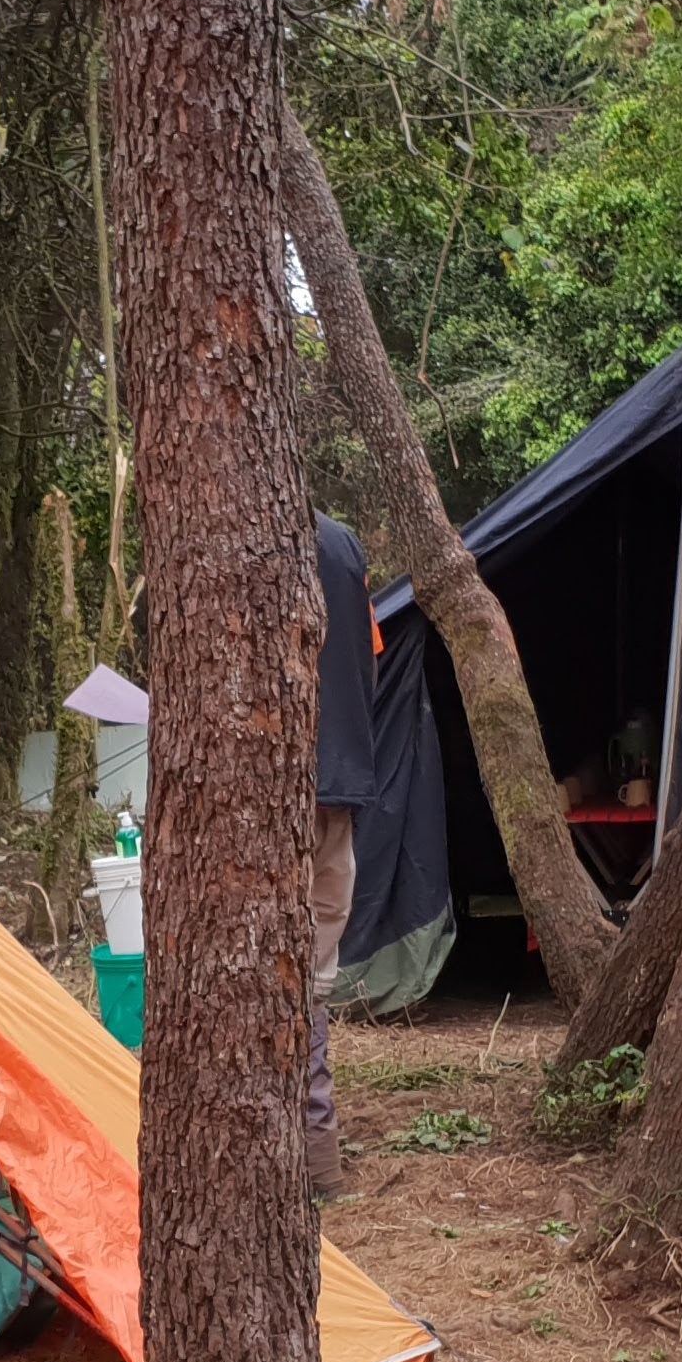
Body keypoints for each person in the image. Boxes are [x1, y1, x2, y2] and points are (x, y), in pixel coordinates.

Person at [306, 512, 380, 1199]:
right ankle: (320, 1160)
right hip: (339, 784)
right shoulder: (344, 543)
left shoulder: (240, 523)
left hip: (272, 789)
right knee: (312, 982)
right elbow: (368, 656)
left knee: (278, 981)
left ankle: (302, 1161)